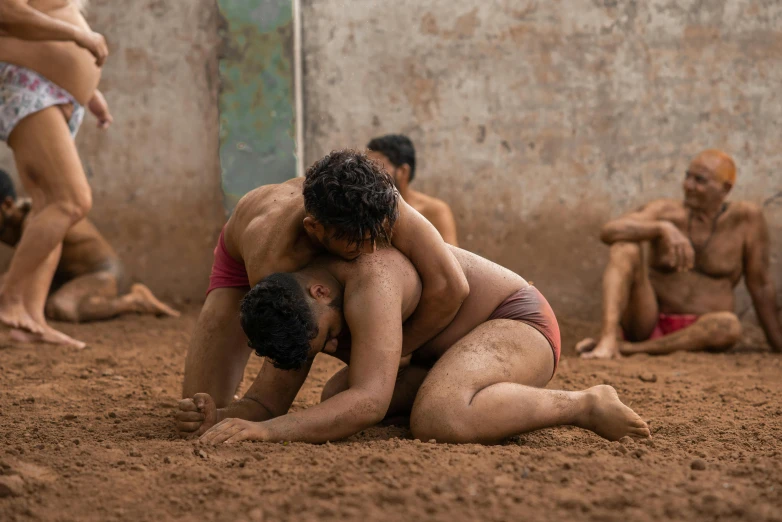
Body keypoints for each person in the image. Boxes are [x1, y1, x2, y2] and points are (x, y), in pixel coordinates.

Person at [178, 245, 649, 445]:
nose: (335, 345)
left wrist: (271, 432)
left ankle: (584, 403)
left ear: (319, 292)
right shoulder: (299, 306)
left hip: (517, 322)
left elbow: (368, 402)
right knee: (331, 396)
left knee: (439, 417)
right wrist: (222, 416)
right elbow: (266, 401)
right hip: (446, 353)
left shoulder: (372, 279)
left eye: (328, 336)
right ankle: (458, 388)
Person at [181, 149, 469, 409]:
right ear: (314, 229)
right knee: (201, 404)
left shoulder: (380, 202)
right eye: (357, 243)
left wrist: (403, 348)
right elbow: (294, 336)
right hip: (239, 257)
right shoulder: (273, 259)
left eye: (376, 238)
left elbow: (451, 285)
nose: (371, 251)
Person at [577, 149, 782, 359]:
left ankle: (628, 350)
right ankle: (608, 338)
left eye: (700, 180)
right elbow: (609, 231)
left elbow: (761, 285)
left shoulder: (746, 219)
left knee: (729, 325)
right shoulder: (666, 211)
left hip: (702, 330)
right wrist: (661, 228)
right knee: (624, 248)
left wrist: (778, 344)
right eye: (687, 176)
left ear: (725, 188)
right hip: (647, 322)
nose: (688, 186)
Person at [0, 0, 111, 347]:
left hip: (52, 92)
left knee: (50, 207)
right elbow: (7, 12)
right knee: (71, 201)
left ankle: (29, 322)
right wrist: (79, 36)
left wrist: (87, 89)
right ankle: (9, 299)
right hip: (28, 86)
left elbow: (43, 23)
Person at [0, 170, 177, 328]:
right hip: (67, 278)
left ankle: (134, 301)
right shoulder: (11, 223)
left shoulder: (37, 218)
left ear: (7, 205)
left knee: (61, 307)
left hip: (102, 274)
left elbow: (18, 275)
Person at [367, 134, 459, 245]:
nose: (368, 176)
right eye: (366, 169)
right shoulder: (365, 210)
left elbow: (452, 257)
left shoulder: (434, 211)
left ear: (403, 171)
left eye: (376, 169)